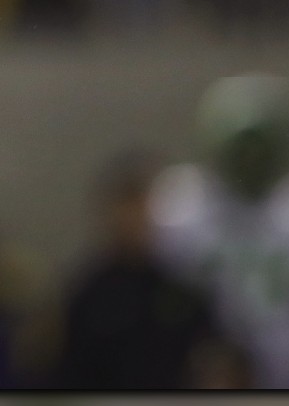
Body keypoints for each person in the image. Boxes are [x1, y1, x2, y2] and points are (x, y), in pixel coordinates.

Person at [149, 74, 289, 389]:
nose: (250, 160)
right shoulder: (180, 207)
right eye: (242, 150)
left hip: (288, 373)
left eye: (259, 150)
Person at [54, 153, 238, 390]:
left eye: (143, 205)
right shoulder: (87, 293)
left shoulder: (184, 287)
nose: (134, 217)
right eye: (126, 205)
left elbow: (214, 354)